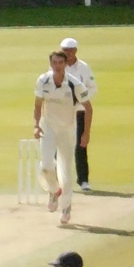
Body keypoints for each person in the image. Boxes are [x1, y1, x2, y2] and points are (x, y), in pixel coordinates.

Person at [33, 50, 92, 225]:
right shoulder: (43, 80)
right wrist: (36, 125)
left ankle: (66, 207)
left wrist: (86, 133)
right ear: (51, 64)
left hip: (67, 128)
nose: (57, 66)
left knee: (66, 171)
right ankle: (53, 191)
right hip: (48, 126)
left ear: (65, 65)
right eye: (54, 63)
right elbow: (37, 105)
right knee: (46, 164)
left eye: (60, 63)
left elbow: (88, 108)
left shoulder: (74, 84)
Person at [59, 37, 97, 191]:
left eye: (70, 50)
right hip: (61, 112)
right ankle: (56, 181)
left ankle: (83, 180)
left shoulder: (83, 67)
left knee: (81, 144)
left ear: (75, 51)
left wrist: (80, 98)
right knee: (59, 145)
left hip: (80, 110)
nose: (68, 53)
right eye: (65, 50)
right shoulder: (57, 65)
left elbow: (92, 87)